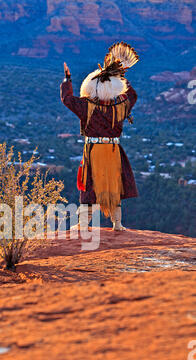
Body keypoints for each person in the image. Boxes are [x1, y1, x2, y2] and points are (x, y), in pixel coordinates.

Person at [60, 42, 139, 231]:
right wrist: (120, 76)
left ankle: (84, 224)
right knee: (114, 185)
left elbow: (67, 99)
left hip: (93, 150)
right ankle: (117, 224)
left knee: (89, 185)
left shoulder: (87, 106)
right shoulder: (121, 106)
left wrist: (67, 80)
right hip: (113, 150)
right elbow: (132, 95)